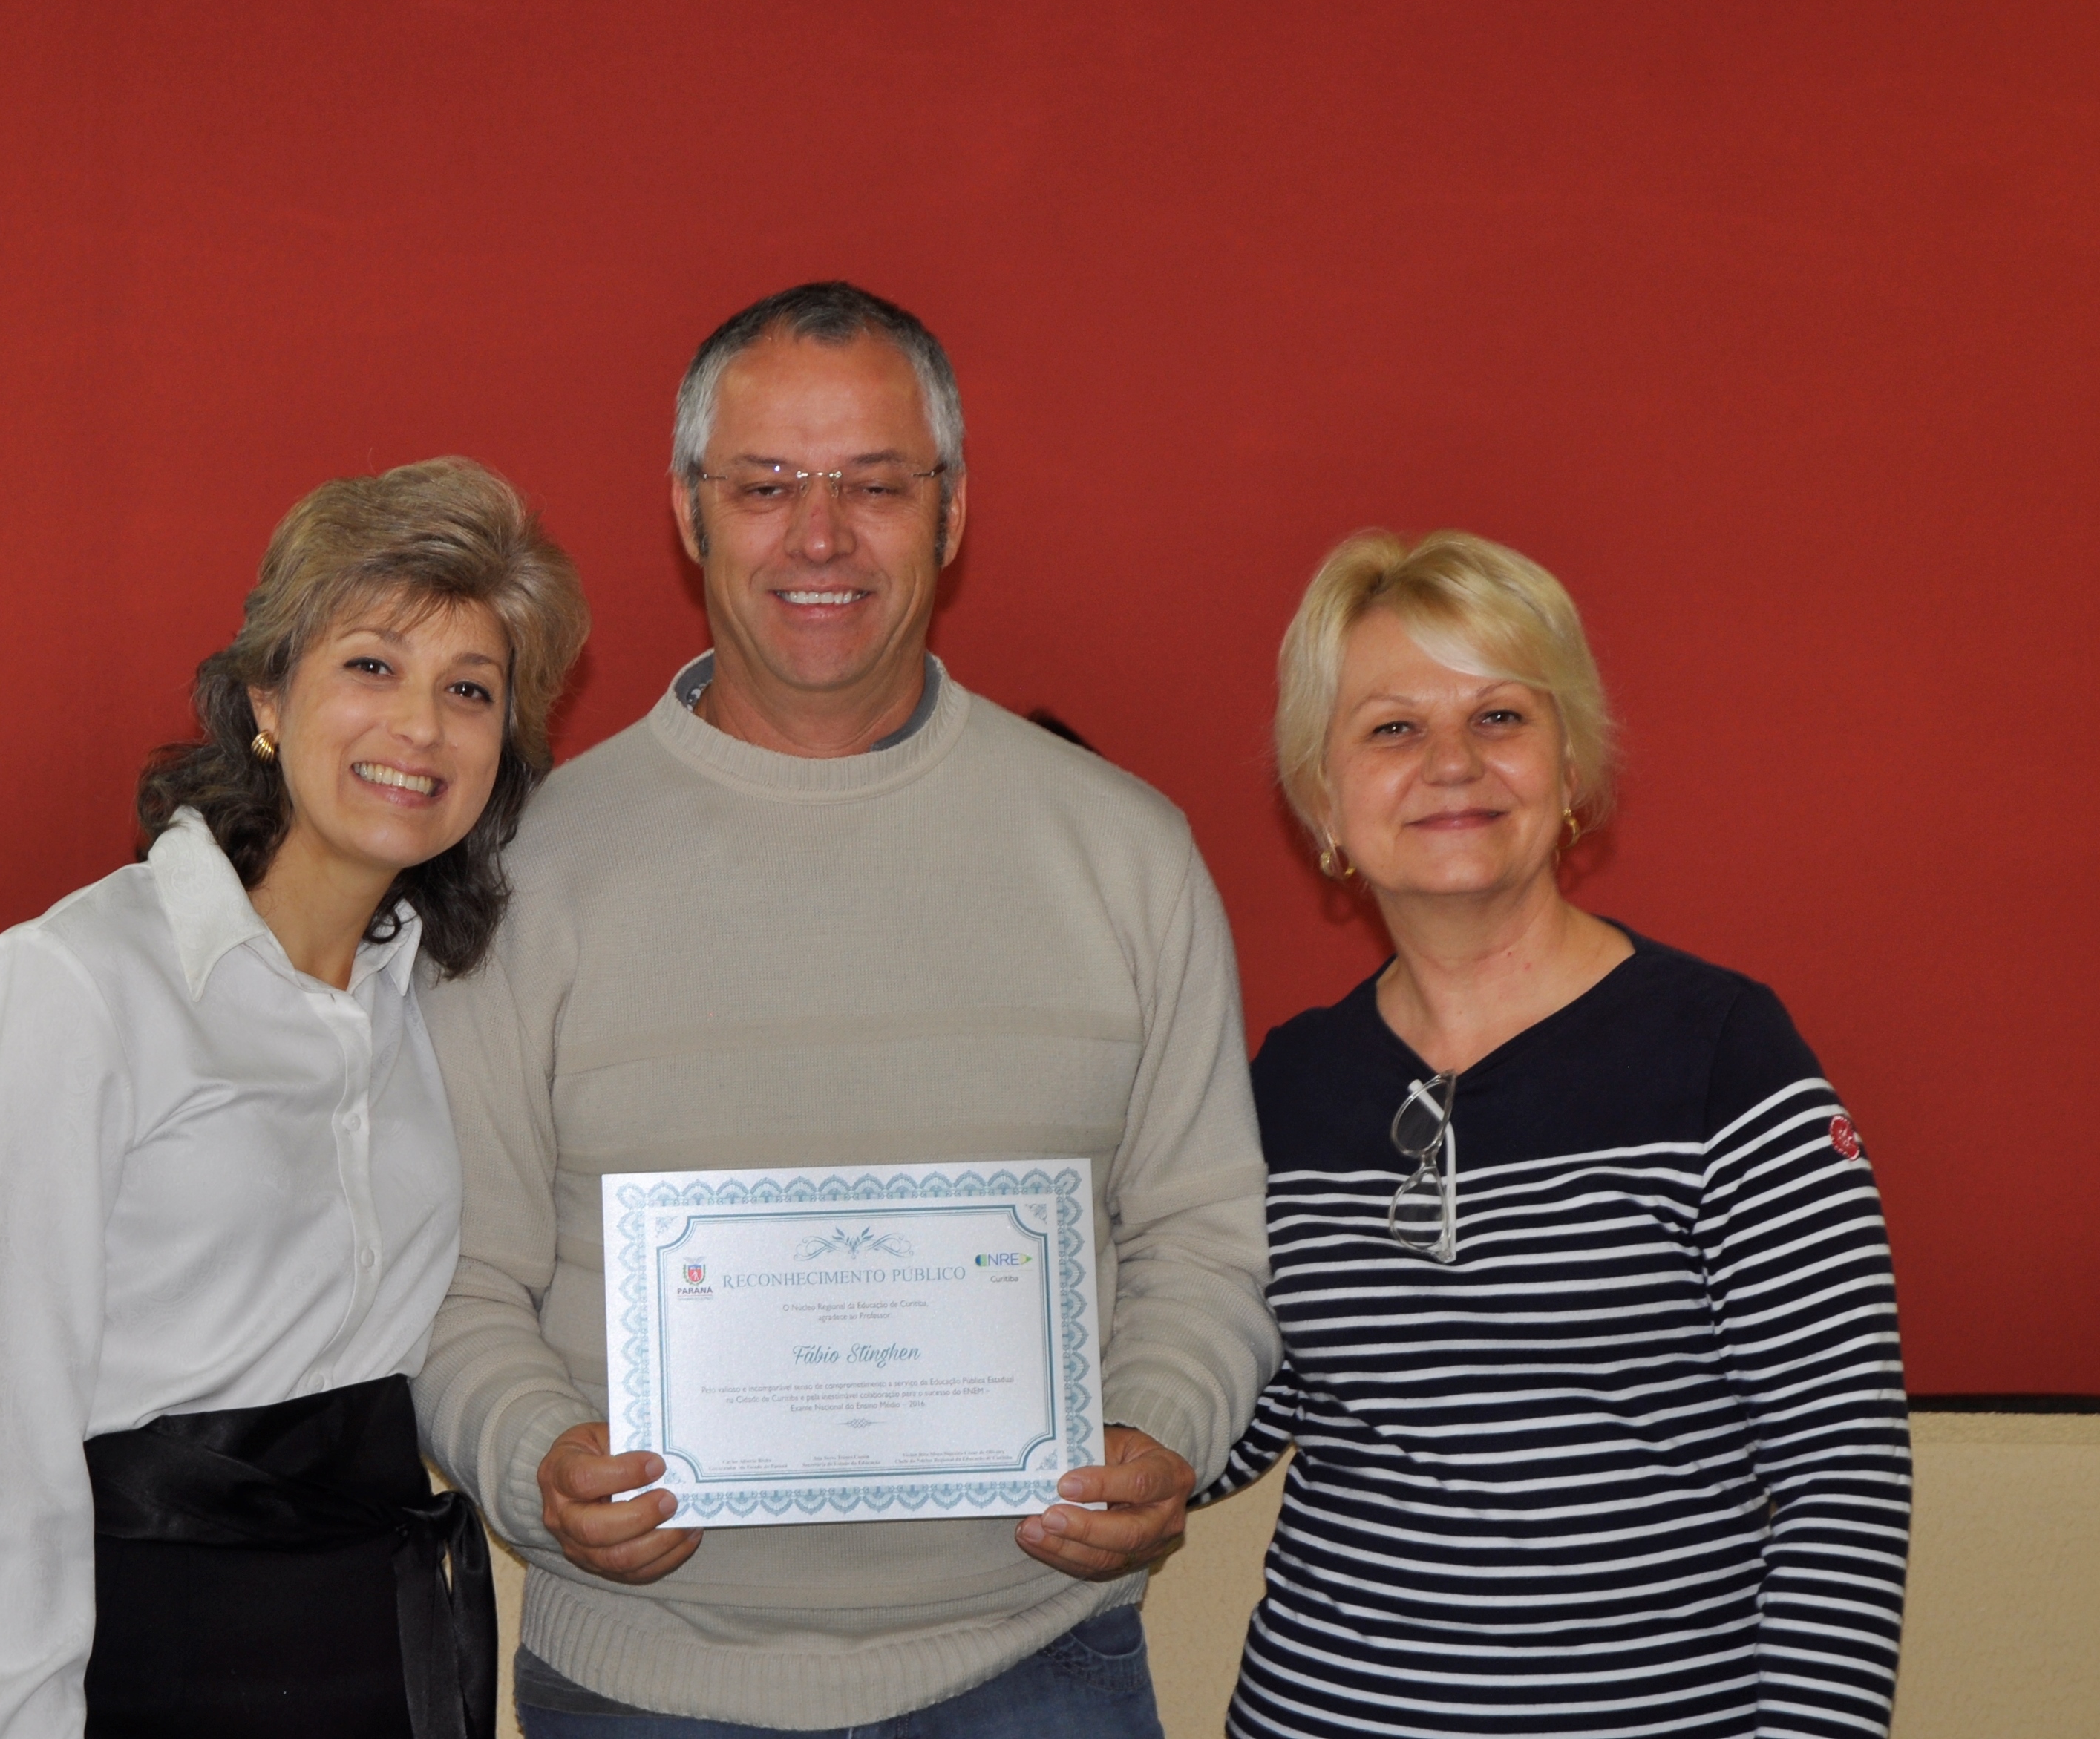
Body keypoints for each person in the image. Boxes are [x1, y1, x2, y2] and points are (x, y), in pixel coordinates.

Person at [415, 281, 1279, 1737]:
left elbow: (1205, 1229)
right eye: (765, 484)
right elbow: (454, 1276)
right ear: (689, 512)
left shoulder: (1124, 851)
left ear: (952, 512)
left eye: (877, 483)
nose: (820, 535)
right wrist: (532, 1460)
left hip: (1037, 1670)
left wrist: (1162, 1430)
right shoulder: (520, 870)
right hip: (640, 1686)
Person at [0, 459, 589, 1739]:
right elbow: (1, 1443)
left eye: (470, 690)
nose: (421, 728)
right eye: (371, 666)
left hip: (367, 1648)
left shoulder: (433, 1005)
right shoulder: (74, 982)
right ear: (267, 694)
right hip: (133, 1648)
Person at [1213, 528, 1912, 1739]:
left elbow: (1839, 1477)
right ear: (1321, 796)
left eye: (1498, 717)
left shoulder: (1719, 1054)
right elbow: (1235, 1424)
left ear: (1570, 762)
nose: (1449, 763)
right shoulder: (1290, 1083)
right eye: (1389, 727)